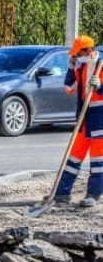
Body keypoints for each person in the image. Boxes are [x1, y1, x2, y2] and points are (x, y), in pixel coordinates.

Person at [54, 35, 103, 207]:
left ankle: (94, 194)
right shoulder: (81, 67)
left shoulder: (101, 65)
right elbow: (69, 88)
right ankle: (61, 193)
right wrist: (71, 67)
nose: (76, 56)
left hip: (100, 120)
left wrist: (101, 87)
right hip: (84, 119)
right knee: (73, 158)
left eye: (78, 53)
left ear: (89, 50)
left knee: (97, 161)